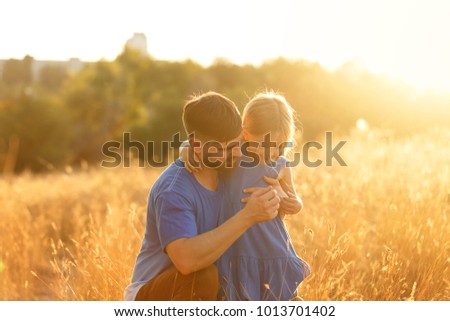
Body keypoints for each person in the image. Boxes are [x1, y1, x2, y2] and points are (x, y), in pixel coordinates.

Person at [124, 92, 281, 301]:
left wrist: (282, 187)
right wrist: (248, 216)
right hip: (156, 295)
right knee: (203, 276)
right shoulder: (173, 189)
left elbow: (275, 157)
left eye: (237, 144)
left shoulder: (230, 163)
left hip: (210, 289)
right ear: (197, 146)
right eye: (226, 149)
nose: (237, 153)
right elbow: (186, 261)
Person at [184, 92, 310, 300]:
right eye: (265, 145)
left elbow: (295, 201)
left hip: (270, 246)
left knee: (279, 297)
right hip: (236, 247)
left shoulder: (280, 165)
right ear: (245, 133)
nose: (272, 152)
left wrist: (292, 203)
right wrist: (186, 150)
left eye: (279, 146)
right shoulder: (233, 154)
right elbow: (204, 144)